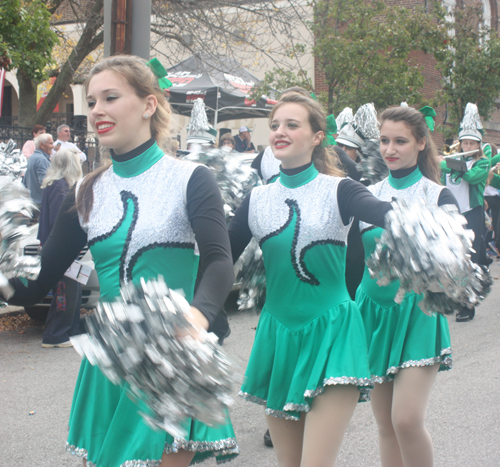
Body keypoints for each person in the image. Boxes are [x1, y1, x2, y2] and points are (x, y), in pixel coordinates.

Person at [5, 55, 238, 466]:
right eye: (92, 102)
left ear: (148, 105)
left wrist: (196, 320)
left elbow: (220, 260)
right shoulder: (87, 192)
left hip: (171, 359)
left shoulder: (189, 178)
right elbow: (37, 285)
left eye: (110, 97)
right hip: (109, 367)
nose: (97, 111)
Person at [228, 92, 394, 466]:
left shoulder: (340, 189)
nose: (279, 132)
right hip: (277, 336)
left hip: (333, 332)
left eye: (292, 124)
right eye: (274, 125)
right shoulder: (256, 199)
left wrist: (420, 222)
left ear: (318, 135)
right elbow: (220, 255)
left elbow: (383, 212)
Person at [356, 106, 455, 467]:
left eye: (400, 141)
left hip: (418, 312)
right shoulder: (365, 195)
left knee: (406, 420)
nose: (390, 149)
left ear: (421, 143)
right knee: (385, 425)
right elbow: (354, 260)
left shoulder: (438, 195)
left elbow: (453, 267)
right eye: (384, 140)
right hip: (373, 314)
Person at [439, 103, 490, 320]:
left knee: (471, 259)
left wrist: (449, 164)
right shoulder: (455, 159)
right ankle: (453, 299)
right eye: (465, 142)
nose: (467, 145)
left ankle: (468, 305)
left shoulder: (482, 162)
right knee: (452, 259)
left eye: (472, 142)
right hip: (451, 215)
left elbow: (470, 178)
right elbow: (439, 175)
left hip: (472, 214)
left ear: (478, 144)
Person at [38, 148, 83, 348]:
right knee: (66, 292)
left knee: (69, 291)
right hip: (62, 250)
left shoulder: (54, 185)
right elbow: (61, 222)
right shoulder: (61, 188)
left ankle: (67, 331)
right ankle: (56, 334)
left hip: (56, 247)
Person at [23, 133, 54, 208]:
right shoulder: (41, 159)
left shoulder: (32, 157)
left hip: (35, 202)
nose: (53, 146)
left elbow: (25, 182)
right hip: (42, 203)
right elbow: (44, 183)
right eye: (50, 143)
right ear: (42, 145)